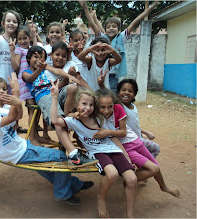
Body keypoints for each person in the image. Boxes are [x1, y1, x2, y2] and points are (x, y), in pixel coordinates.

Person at [0, 73, 94, 204]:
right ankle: (63, 193)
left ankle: (74, 185)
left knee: (43, 166)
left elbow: (18, 116)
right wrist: (16, 95)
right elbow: (11, 118)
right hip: (16, 154)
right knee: (60, 156)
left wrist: (17, 102)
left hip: (21, 146)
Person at [51, 83, 137, 218]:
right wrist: (55, 97)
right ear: (77, 104)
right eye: (84, 104)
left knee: (132, 179)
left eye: (91, 105)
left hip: (113, 149)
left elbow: (113, 138)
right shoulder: (74, 121)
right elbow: (55, 121)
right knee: (112, 174)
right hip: (97, 152)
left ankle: (130, 213)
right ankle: (101, 197)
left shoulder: (99, 118)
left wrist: (125, 154)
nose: (88, 108)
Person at [95, 88, 180, 199]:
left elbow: (123, 132)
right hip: (126, 148)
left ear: (113, 104)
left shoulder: (118, 108)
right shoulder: (97, 118)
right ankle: (129, 181)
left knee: (156, 168)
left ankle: (164, 187)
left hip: (136, 141)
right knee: (153, 168)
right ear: (97, 106)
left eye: (110, 106)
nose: (107, 110)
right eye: (103, 107)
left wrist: (107, 132)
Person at [22, 46, 98, 168]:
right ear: (28, 59)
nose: (38, 59)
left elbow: (58, 72)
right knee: (58, 118)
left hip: (56, 91)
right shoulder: (27, 72)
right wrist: (40, 69)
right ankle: (74, 155)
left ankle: (67, 116)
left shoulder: (46, 69)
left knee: (72, 87)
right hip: (43, 96)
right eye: (35, 56)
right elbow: (31, 78)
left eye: (41, 57)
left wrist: (69, 77)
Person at [79, 0, 159, 93]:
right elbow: (92, 24)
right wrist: (85, 6)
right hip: (98, 73)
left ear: (119, 29)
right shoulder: (102, 38)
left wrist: (151, 7)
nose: (111, 28)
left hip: (113, 75)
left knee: (111, 96)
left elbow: (135, 22)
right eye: (108, 27)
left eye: (114, 26)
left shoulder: (121, 37)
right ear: (105, 30)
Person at [0, 10, 27, 134]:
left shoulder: (20, 41)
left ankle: (14, 128)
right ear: (3, 23)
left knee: (13, 103)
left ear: (18, 24)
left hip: (13, 79)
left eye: (14, 21)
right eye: (8, 21)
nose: (11, 23)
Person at [117, 79, 160, 158]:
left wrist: (146, 133)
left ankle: (144, 167)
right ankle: (146, 167)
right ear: (118, 93)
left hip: (138, 137)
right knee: (156, 148)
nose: (126, 92)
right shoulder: (120, 107)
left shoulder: (133, 107)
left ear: (134, 94)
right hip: (130, 140)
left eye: (130, 91)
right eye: (123, 90)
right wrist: (102, 85)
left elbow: (134, 125)